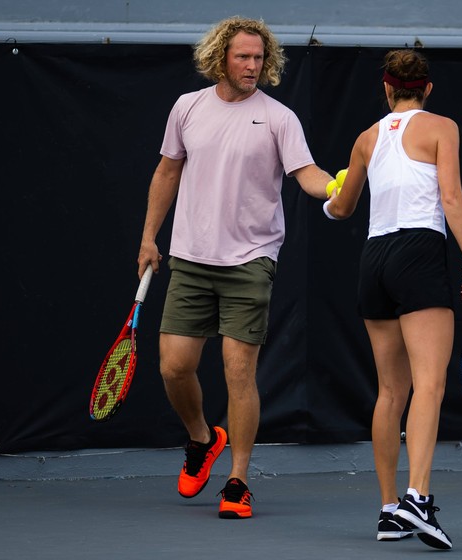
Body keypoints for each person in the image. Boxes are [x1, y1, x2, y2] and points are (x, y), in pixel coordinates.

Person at [136, 16, 334, 519]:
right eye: (243, 57)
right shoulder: (187, 107)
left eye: (259, 58)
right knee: (174, 367)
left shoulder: (278, 118)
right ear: (220, 58)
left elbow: (306, 173)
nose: (252, 66)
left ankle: (238, 480)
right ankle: (203, 439)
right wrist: (148, 238)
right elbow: (167, 170)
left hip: (250, 260)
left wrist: (336, 189)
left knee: (238, 372)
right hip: (189, 258)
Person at [323, 49, 462, 549]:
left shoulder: (366, 139)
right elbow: (451, 198)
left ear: (387, 89)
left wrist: (331, 196)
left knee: (391, 392)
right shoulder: (441, 127)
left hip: (374, 261)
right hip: (418, 251)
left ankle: (390, 509)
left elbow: (341, 208)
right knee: (429, 386)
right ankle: (418, 498)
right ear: (427, 88)